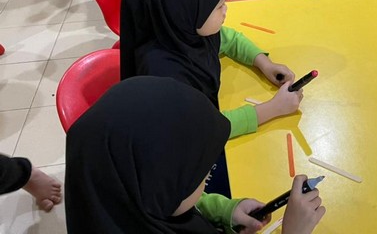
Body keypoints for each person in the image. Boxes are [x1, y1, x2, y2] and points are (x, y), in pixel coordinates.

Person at [65, 76, 325, 234]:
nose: (207, 179)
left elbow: (183, 207)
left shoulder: (120, 202)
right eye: (201, 176)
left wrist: (225, 211)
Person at [119, 0, 302, 139]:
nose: (225, 10)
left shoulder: (184, 33)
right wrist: (273, 109)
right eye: (219, 5)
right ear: (185, 11)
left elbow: (231, 40)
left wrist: (265, 64)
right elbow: (200, 129)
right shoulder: (166, 77)